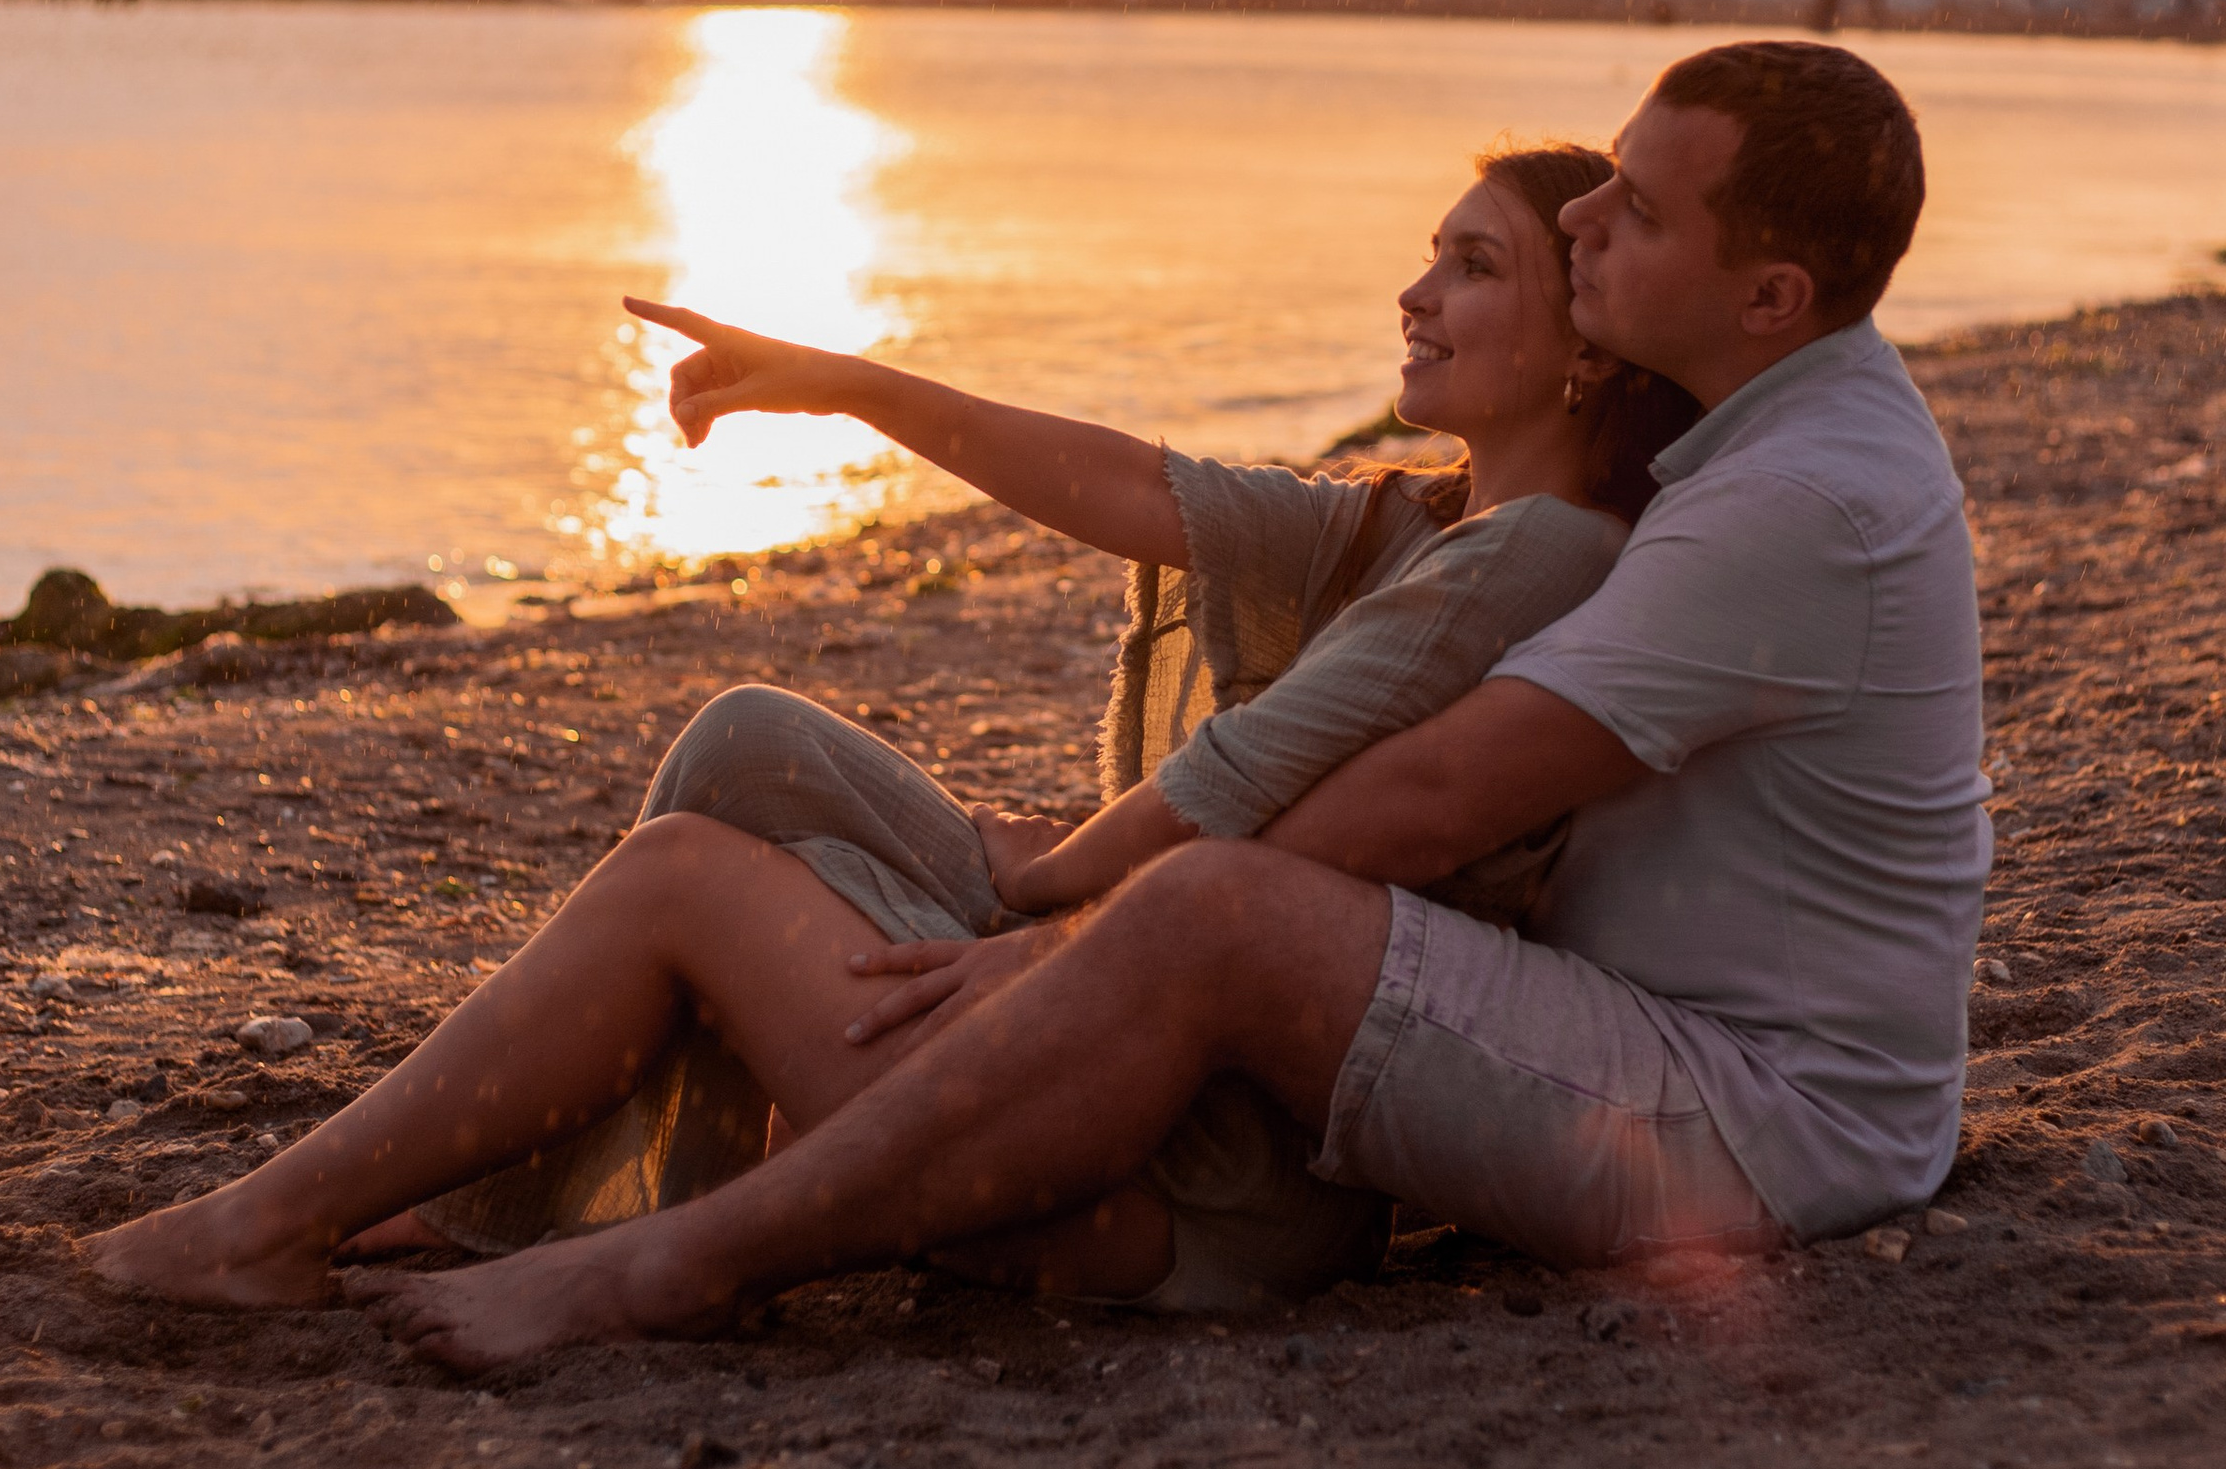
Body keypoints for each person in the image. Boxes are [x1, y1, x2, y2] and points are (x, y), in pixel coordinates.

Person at [88, 145, 1693, 1319]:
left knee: (678, 881)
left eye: (1475, 268)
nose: (1417, 294)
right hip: (1152, 1056)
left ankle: (270, 1228)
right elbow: (1127, 486)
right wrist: (846, 385)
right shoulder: (1409, 523)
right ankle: (533, 1199)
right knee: (752, 742)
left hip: (1208, 1169)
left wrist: (1050, 890)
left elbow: (1243, 782)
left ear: (1587, 348)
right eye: (1432, 254)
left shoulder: (1543, 553)